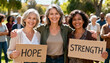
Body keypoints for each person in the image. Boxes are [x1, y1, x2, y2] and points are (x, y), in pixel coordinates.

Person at [10, 4, 97, 63]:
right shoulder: (42, 28)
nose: (54, 16)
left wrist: (90, 32)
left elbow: (77, 30)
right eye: (51, 14)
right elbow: (29, 28)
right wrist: (17, 31)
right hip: (46, 59)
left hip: (61, 59)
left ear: (60, 15)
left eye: (56, 13)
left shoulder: (66, 29)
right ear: (48, 16)